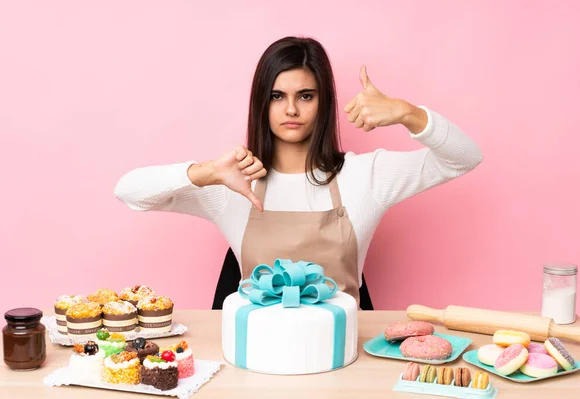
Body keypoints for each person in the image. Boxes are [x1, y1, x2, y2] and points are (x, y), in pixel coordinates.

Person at [114, 36, 483, 309]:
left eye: (306, 95)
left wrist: (407, 113)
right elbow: (129, 191)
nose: (291, 109)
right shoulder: (232, 184)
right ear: (262, 103)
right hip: (254, 361)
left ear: (324, 103)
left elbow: (464, 157)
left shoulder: (364, 175)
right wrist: (207, 171)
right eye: (277, 96)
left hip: (343, 360)